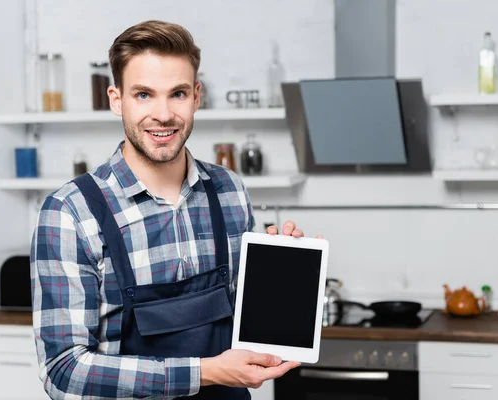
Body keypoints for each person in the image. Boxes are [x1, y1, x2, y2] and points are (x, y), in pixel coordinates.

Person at [30, 20, 322, 399]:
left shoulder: (229, 191)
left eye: (178, 93)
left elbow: (247, 327)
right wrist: (205, 373)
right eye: (144, 95)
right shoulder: (70, 212)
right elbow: (64, 371)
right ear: (116, 99)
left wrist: (281, 279)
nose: (164, 114)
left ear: (196, 96)